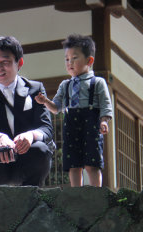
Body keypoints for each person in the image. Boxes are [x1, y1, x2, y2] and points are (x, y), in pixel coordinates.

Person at [0, 36, 54, 194]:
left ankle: (31, 196)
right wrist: (0, 138)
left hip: (26, 157)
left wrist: (30, 136)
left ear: (19, 63)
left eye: (5, 62)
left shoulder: (35, 89)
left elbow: (46, 128)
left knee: (41, 149)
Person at [35, 34, 113, 187]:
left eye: (74, 58)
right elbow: (57, 108)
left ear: (89, 60)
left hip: (91, 122)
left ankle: (96, 191)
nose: (69, 63)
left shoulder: (98, 82)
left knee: (93, 160)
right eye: (67, 59)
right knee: (73, 162)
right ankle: (75, 191)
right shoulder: (65, 85)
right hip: (71, 123)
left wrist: (104, 121)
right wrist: (45, 101)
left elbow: (105, 104)